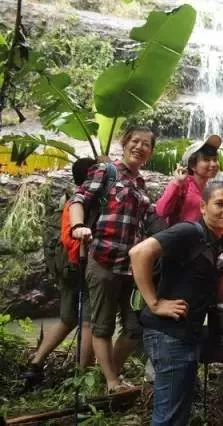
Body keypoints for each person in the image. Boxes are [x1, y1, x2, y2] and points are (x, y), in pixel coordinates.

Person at [130, 181, 223, 425]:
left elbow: (221, 283)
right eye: (219, 204)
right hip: (169, 334)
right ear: (203, 207)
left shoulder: (221, 242)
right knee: (172, 416)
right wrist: (155, 303)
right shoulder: (189, 232)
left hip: (194, 333)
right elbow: (139, 253)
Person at [69, 126, 155, 392]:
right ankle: (111, 382)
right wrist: (78, 226)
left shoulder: (141, 184)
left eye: (146, 144)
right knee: (103, 326)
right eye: (135, 141)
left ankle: (109, 374)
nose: (139, 147)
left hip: (131, 267)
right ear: (124, 143)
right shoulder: (106, 171)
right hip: (103, 259)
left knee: (134, 327)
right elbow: (78, 198)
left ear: (150, 152)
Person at [24, 158, 97, 386]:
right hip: (83, 266)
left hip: (65, 267)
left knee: (67, 319)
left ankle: (35, 363)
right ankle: (83, 377)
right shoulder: (90, 201)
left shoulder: (68, 199)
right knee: (89, 322)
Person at [155, 135, 221, 224]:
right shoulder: (182, 184)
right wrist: (177, 183)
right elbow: (161, 211)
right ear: (193, 165)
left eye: (215, 160)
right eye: (206, 160)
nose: (213, 164)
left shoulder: (210, 189)